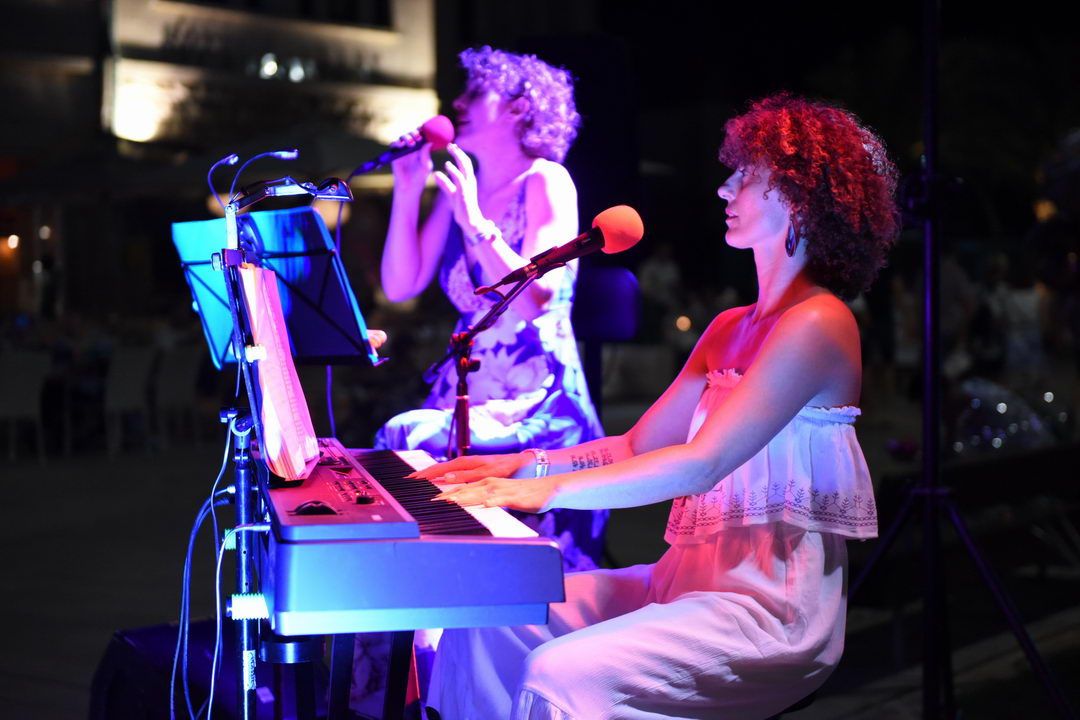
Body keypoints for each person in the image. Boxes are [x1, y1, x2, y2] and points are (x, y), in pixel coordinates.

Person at [417, 93, 900, 720]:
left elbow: (700, 464)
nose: (725, 189)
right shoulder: (729, 326)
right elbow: (635, 446)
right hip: (679, 586)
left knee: (557, 673)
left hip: (766, 613)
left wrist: (541, 492)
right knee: (490, 616)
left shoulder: (820, 322)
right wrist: (518, 465)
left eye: (746, 176)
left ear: (800, 199)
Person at [375, 46, 607, 569]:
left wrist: (477, 225)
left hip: (536, 398)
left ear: (520, 107)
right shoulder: (461, 192)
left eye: (476, 92)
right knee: (401, 451)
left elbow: (539, 298)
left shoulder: (546, 180)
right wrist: (407, 190)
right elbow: (400, 286)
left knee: (405, 437)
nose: (457, 101)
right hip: (466, 393)